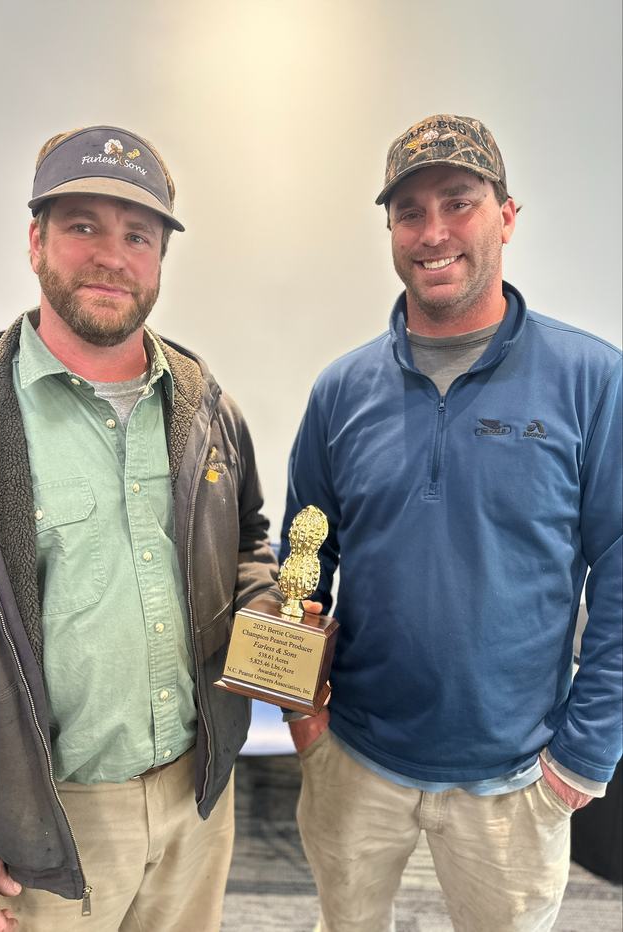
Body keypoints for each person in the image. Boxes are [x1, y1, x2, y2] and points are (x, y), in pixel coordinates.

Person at [0, 124, 279, 931]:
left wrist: (269, 618)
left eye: (138, 235)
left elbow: (248, 538)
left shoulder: (204, 404)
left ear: (160, 258)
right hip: (46, 827)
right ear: (35, 239)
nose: (111, 256)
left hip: (197, 805)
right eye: (82, 225)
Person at [280, 113, 622, 931]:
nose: (433, 233)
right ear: (391, 229)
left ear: (506, 216)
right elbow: (304, 556)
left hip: (515, 778)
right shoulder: (341, 390)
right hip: (355, 759)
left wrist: (586, 752)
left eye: (459, 202)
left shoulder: (592, 380)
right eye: (409, 211)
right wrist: (302, 712)